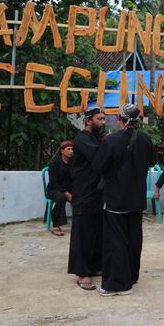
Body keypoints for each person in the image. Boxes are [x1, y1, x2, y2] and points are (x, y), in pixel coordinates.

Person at [92, 104, 156, 297]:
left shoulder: (112, 140)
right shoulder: (145, 140)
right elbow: (152, 162)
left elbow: (98, 167)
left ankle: (117, 284)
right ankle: (131, 276)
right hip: (137, 197)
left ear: (121, 120)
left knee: (115, 240)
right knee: (134, 237)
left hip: (116, 198)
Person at [68, 107, 106, 291]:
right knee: (83, 234)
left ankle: (95, 266)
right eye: (100, 119)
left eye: (104, 119)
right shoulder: (82, 139)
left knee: (97, 232)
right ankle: (82, 273)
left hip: (97, 194)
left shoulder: (96, 139)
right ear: (88, 120)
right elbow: (99, 158)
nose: (103, 122)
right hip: (84, 193)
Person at [46, 140, 74, 236]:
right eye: (68, 149)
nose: (71, 151)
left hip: (69, 190)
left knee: (83, 194)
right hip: (54, 189)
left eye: (72, 149)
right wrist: (65, 192)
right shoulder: (55, 164)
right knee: (61, 197)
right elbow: (53, 182)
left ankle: (80, 222)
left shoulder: (73, 164)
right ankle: (56, 225)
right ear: (62, 151)